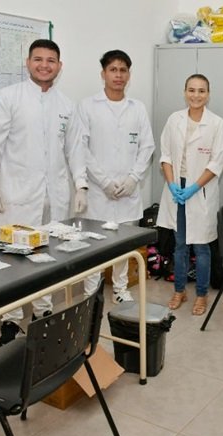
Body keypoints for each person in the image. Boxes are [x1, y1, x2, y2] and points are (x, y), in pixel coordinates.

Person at [0, 39, 87, 346]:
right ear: (28, 63)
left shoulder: (66, 105)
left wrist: (81, 185)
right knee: (13, 261)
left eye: (51, 60)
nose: (44, 65)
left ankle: (43, 313)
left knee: (48, 257)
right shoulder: (8, 97)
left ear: (59, 66)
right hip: (17, 195)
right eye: (38, 59)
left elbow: (75, 149)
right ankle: (11, 320)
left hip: (55, 198)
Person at [77, 49, 155, 303]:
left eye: (123, 70)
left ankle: (120, 289)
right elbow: (82, 148)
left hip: (128, 191)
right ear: (103, 74)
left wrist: (133, 179)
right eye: (113, 70)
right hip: (99, 192)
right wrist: (104, 182)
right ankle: (91, 293)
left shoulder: (137, 108)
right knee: (94, 245)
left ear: (128, 75)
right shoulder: (88, 106)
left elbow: (147, 147)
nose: (118, 75)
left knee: (123, 244)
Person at [157, 74, 223, 315]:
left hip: (200, 189)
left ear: (208, 94)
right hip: (177, 188)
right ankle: (179, 291)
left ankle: (201, 294)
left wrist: (194, 188)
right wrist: (171, 184)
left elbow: (217, 162)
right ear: (185, 91)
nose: (196, 95)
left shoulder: (216, 123)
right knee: (179, 245)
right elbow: (166, 155)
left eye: (201, 91)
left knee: (201, 246)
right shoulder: (174, 119)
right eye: (191, 90)